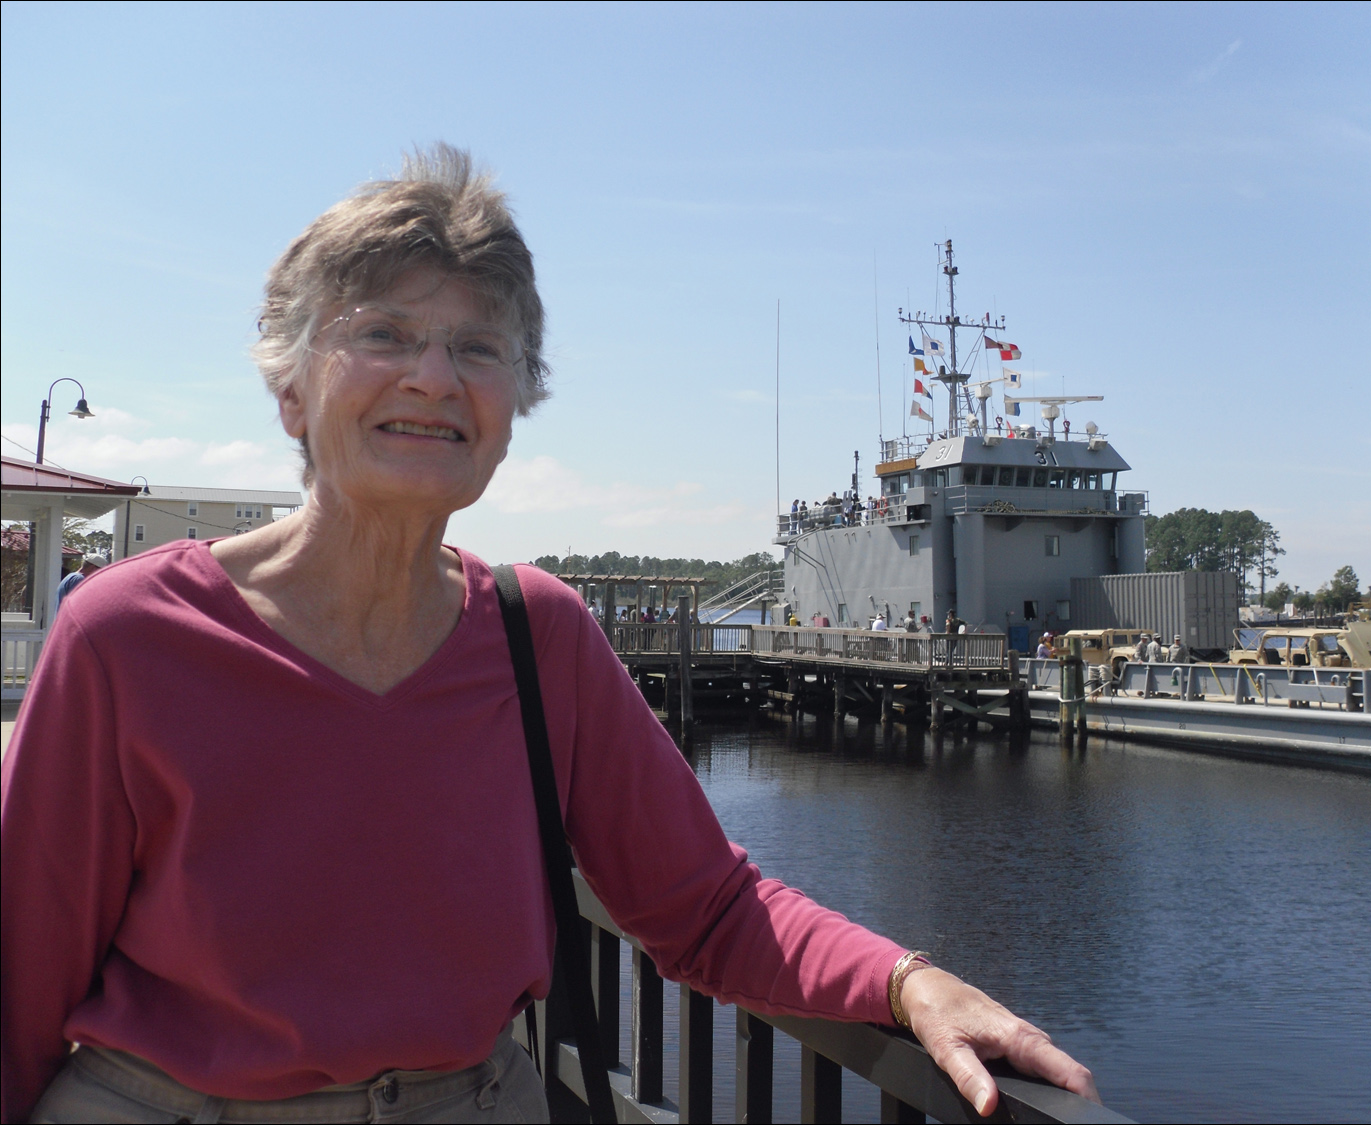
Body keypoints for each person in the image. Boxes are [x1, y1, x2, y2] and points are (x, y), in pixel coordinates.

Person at [0, 150, 1098, 1123]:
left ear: (515, 403)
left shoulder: (538, 636)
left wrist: (907, 981)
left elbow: (704, 907)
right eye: (381, 333)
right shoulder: (130, 638)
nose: (434, 376)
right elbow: (20, 977)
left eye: (478, 348)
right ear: (291, 390)